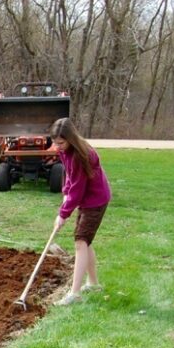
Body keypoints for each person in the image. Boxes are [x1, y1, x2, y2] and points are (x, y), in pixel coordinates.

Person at [50, 117, 111, 305]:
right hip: (87, 199)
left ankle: (75, 293)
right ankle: (93, 283)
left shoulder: (80, 155)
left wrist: (63, 213)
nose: (57, 146)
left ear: (70, 139)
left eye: (61, 143)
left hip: (96, 200)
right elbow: (69, 177)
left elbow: (78, 188)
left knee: (80, 242)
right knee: (85, 241)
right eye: (55, 142)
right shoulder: (66, 151)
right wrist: (65, 194)